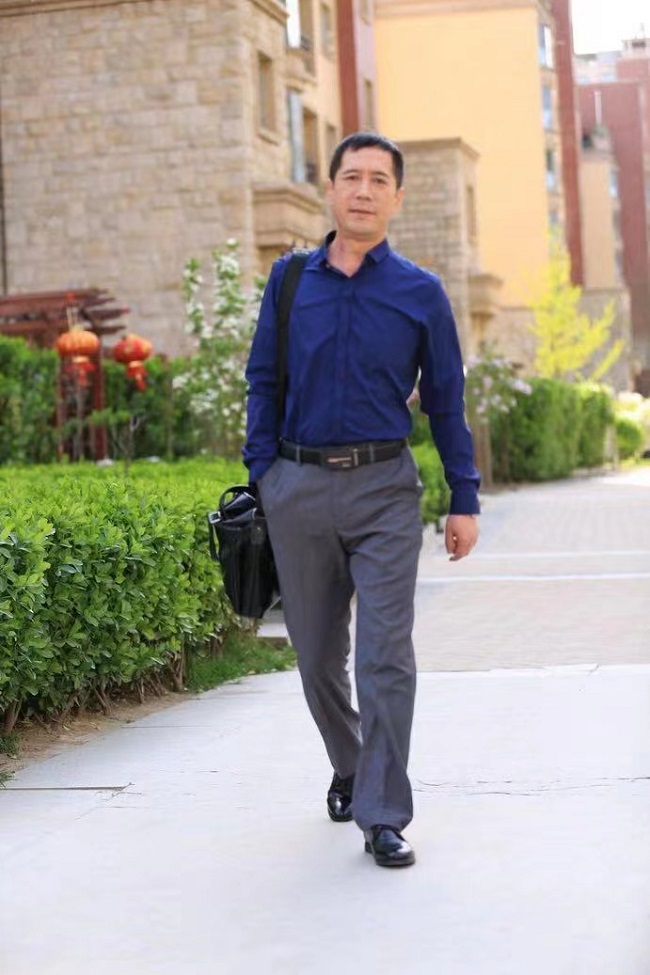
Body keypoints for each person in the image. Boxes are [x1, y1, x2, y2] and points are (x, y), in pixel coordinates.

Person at [243, 132, 479, 868]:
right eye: (353, 176)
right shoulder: (289, 281)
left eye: (380, 179)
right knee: (316, 657)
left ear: (397, 197)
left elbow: (446, 401)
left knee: (385, 657)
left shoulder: (420, 292)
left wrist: (464, 496)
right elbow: (262, 381)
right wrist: (265, 475)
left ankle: (382, 812)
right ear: (331, 189)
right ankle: (350, 764)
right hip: (299, 486)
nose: (365, 190)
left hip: (384, 491)